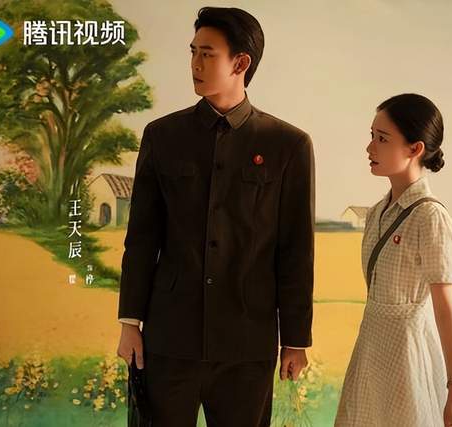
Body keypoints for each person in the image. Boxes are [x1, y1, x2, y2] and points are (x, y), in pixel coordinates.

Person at [115, 7, 315, 426]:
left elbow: (296, 250)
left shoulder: (288, 145)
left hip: (248, 342)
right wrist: (129, 322)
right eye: (193, 52)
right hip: (170, 337)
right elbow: (142, 237)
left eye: (207, 54)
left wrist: (296, 339)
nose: (195, 63)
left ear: (240, 63)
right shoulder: (162, 136)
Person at [335, 93, 452, 426]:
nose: (370, 147)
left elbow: (445, 308)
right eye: (372, 136)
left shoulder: (431, 216)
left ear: (415, 148)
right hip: (370, 351)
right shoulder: (376, 213)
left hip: (409, 356)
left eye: (382, 139)